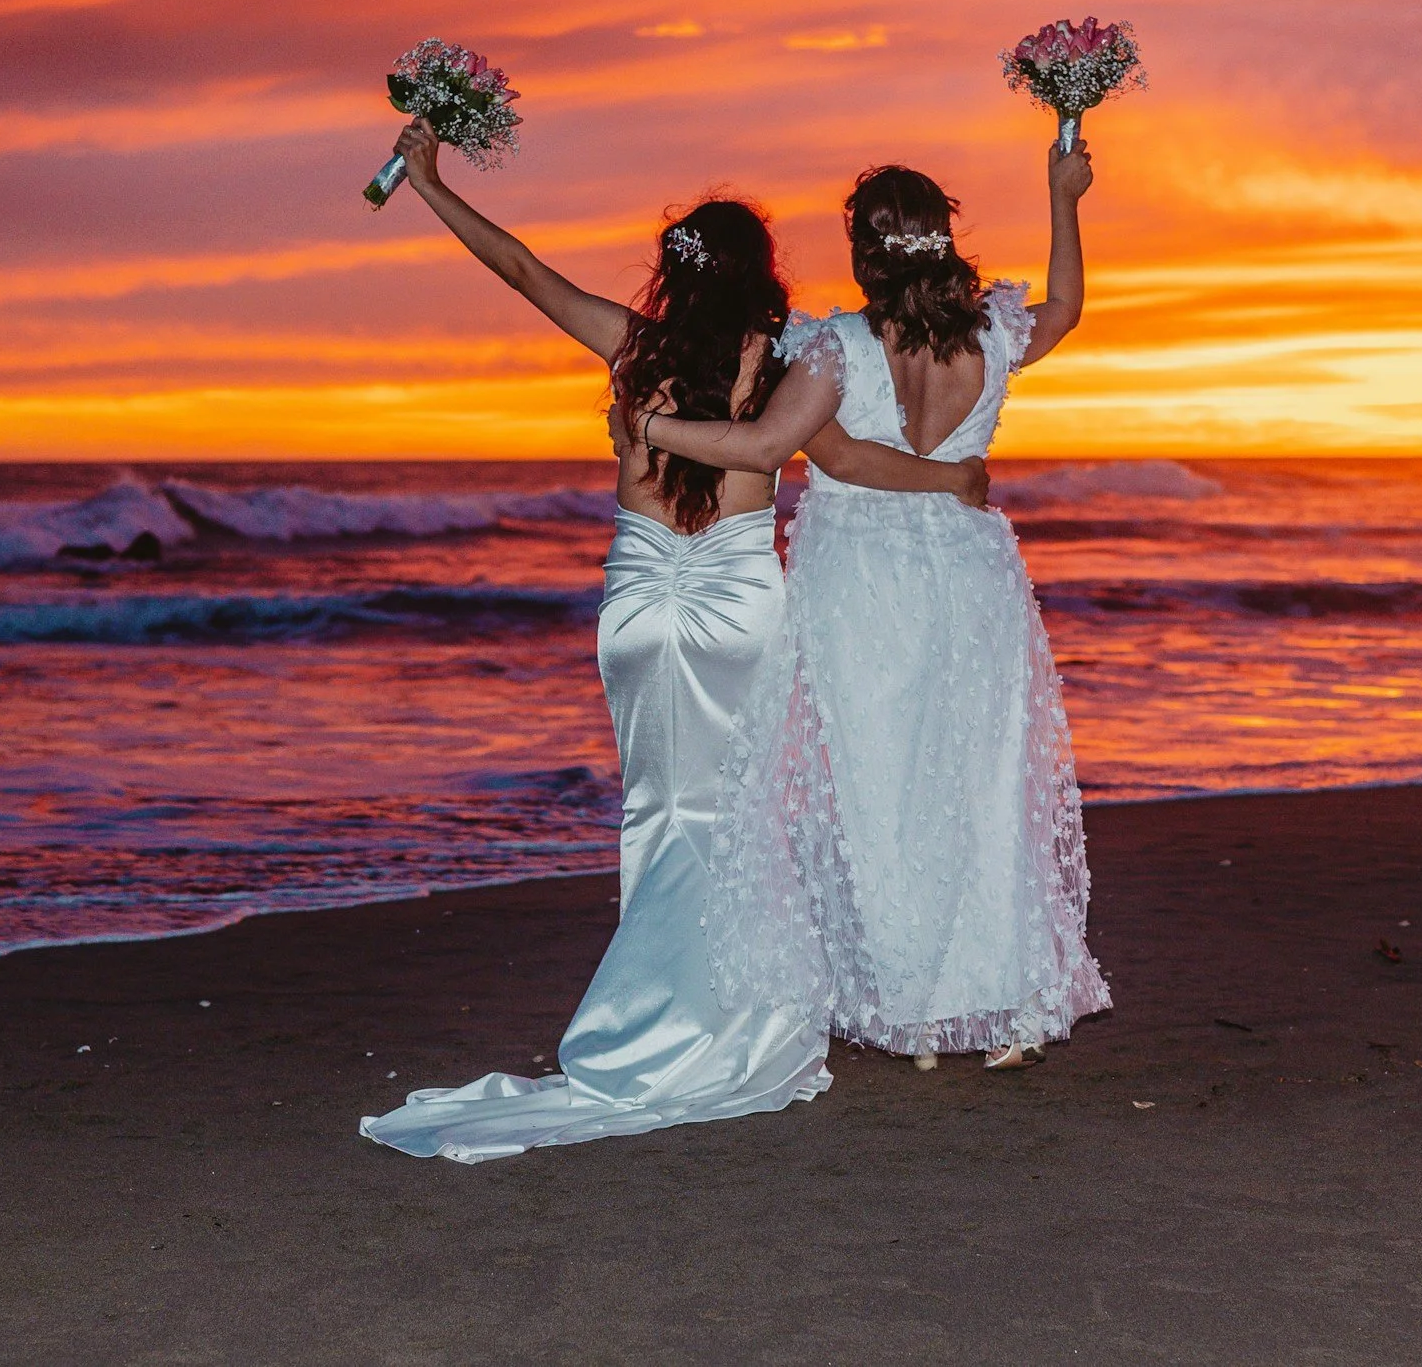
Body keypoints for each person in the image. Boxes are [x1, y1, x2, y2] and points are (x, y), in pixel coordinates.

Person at [360, 117, 984, 1163]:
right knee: (744, 814)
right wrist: (951, 480)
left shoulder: (629, 344)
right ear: (759, 280)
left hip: (642, 603)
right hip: (740, 601)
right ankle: (733, 1022)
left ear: (672, 272)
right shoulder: (783, 364)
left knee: (659, 811)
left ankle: (647, 1025)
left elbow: (517, 268)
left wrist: (425, 180)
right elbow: (849, 462)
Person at [635, 142, 1110, 1072]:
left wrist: (648, 425)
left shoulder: (837, 347)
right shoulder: (989, 335)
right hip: (971, 576)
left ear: (865, 255)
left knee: (881, 792)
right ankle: (1004, 1003)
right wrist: (1063, 198)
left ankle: (919, 1015)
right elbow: (1067, 309)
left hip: (864, 581)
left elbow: (796, 449)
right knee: (980, 786)